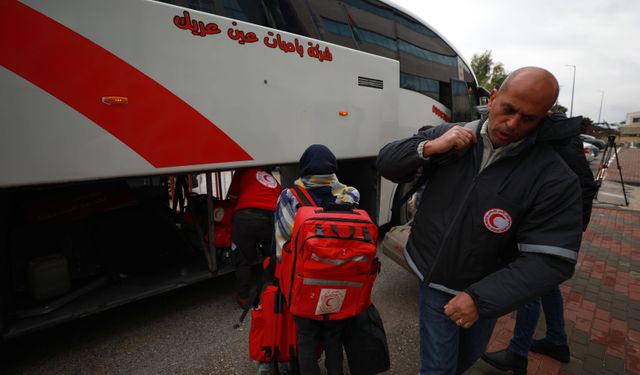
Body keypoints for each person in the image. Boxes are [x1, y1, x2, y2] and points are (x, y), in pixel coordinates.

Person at [376, 67, 584, 374]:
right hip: (435, 278)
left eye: (528, 118)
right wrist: (430, 147)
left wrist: (482, 298)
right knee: (439, 369)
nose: (512, 124)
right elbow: (386, 161)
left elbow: (552, 259)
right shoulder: (453, 135)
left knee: (465, 359)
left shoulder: (553, 176)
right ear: (494, 98)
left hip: (485, 290)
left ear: (545, 117)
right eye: (508, 109)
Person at [481, 111, 598, 372]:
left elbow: (581, 185)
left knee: (528, 284)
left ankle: (518, 353)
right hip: (559, 223)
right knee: (547, 284)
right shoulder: (559, 133)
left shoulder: (551, 138)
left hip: (549, 226)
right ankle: (557, 341)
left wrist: (566, 230)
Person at [273, 144, 359, 375]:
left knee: (307, 338)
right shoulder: (347, 195)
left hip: (303, 283)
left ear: (304, 168)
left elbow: (282, 244)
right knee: (333, 335)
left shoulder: (289, 197)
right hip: (338, 281)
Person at [227, 167, 282, 309]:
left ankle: (243, 297)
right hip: (271, 215)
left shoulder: (242, 171)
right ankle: (279, 292)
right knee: (272, 256)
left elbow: (233, 198)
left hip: (246, 216)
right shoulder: (269, 175)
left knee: (243, 258)